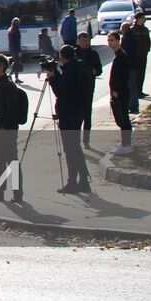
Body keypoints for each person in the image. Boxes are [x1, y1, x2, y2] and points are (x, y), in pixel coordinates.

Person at [44, 46, 91, 193]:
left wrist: (52, 79)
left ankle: (73, 182)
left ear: (62, 57)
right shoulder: (79, 67)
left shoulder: (70, 71)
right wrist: (57, 75)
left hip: (68, 114)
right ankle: (83, 180)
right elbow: (68, 87)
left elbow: (61, 92)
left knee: (70, 150)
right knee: (75, 148)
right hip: (78, 112)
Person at [0, 54, 24, 203]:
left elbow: (11, 109)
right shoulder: (0, 82)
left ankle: (17, 193)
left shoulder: (7, 85)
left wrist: (3, 126)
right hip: (0, 128)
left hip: (6, 129)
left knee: (11, 161)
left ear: (1, 67)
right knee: (0, 161)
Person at [105, 31, 133, 154]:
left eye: (112, 40)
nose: (110, 43)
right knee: (121, 119)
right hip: (118, 92)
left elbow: (123, 76)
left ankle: (126, 145)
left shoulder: (121, 56)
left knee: (123, 119)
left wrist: (116, 90)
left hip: (121, 93)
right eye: (108, 40)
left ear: (118, 41)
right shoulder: (118, 55)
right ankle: (124, 143)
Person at [74, 33, 103, 149]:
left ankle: (86, 140)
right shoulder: (74, 54)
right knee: (76, 116)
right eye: (83, 41)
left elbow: (99, 70)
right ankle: (75, 141)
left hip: (88, 87)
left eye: (87, 41)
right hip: (75, 89)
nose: (86, 43)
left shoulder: (93, 54)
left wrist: (93, 71)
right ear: (78, 41)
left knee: (87, 115)